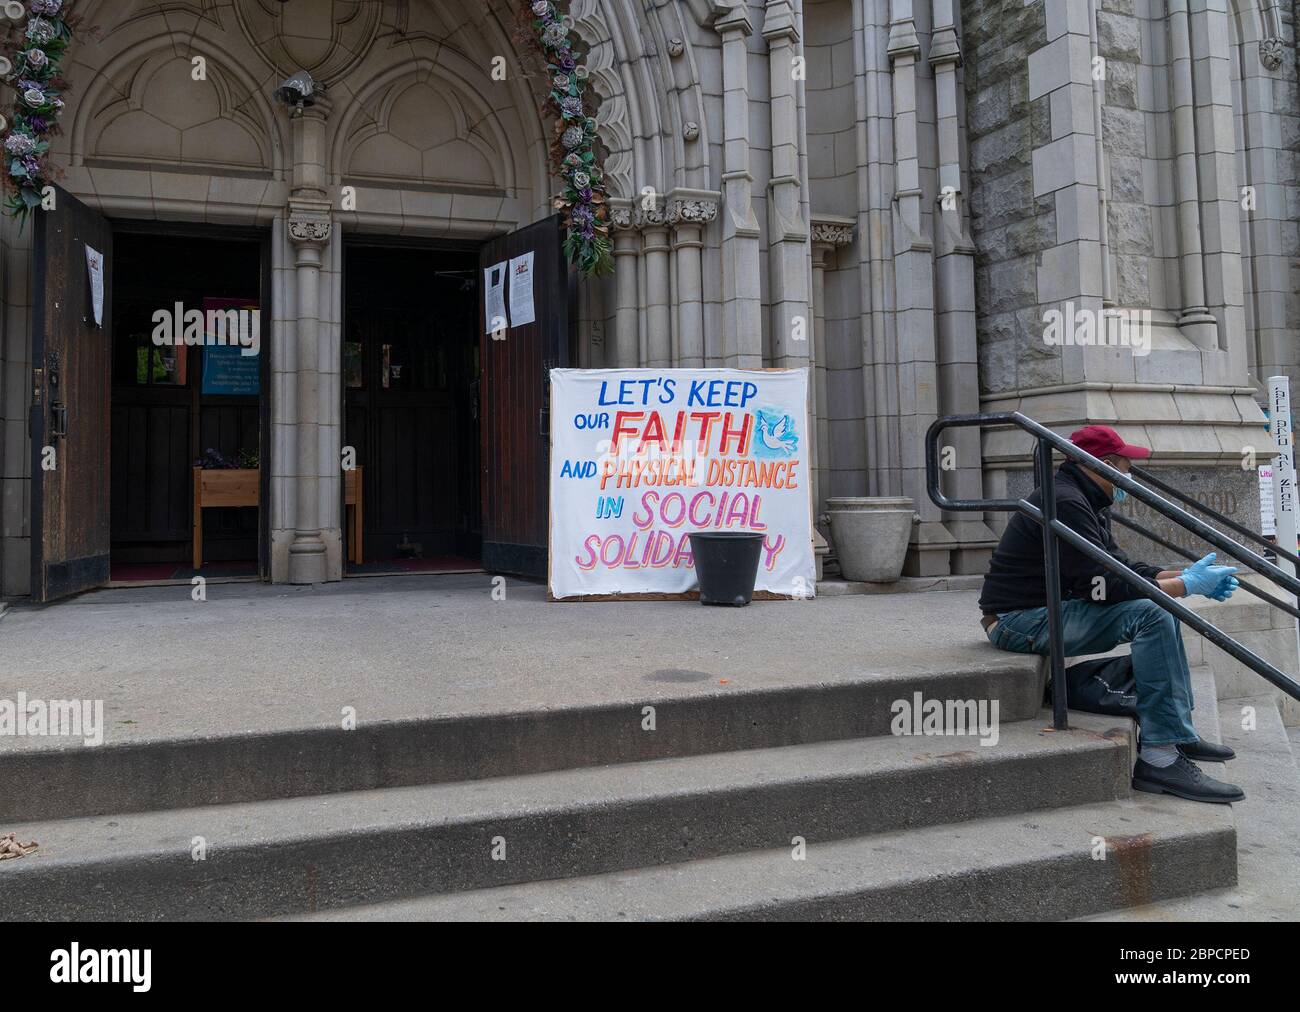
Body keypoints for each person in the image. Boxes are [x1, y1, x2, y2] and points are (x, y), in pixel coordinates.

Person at [979, 425, 1244, 804]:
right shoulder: (1067, 502)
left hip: (1041, 612)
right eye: (1125, 465)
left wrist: (1181, 576)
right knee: (1151, 613)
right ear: (1102, 465)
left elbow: (1119, 566)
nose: (1129, 474)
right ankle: (1159, 756)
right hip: (1018, 621)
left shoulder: (1084, 499)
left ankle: (1177, 733)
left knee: (1157, 604)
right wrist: (1186, 586)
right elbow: (1102, 586)